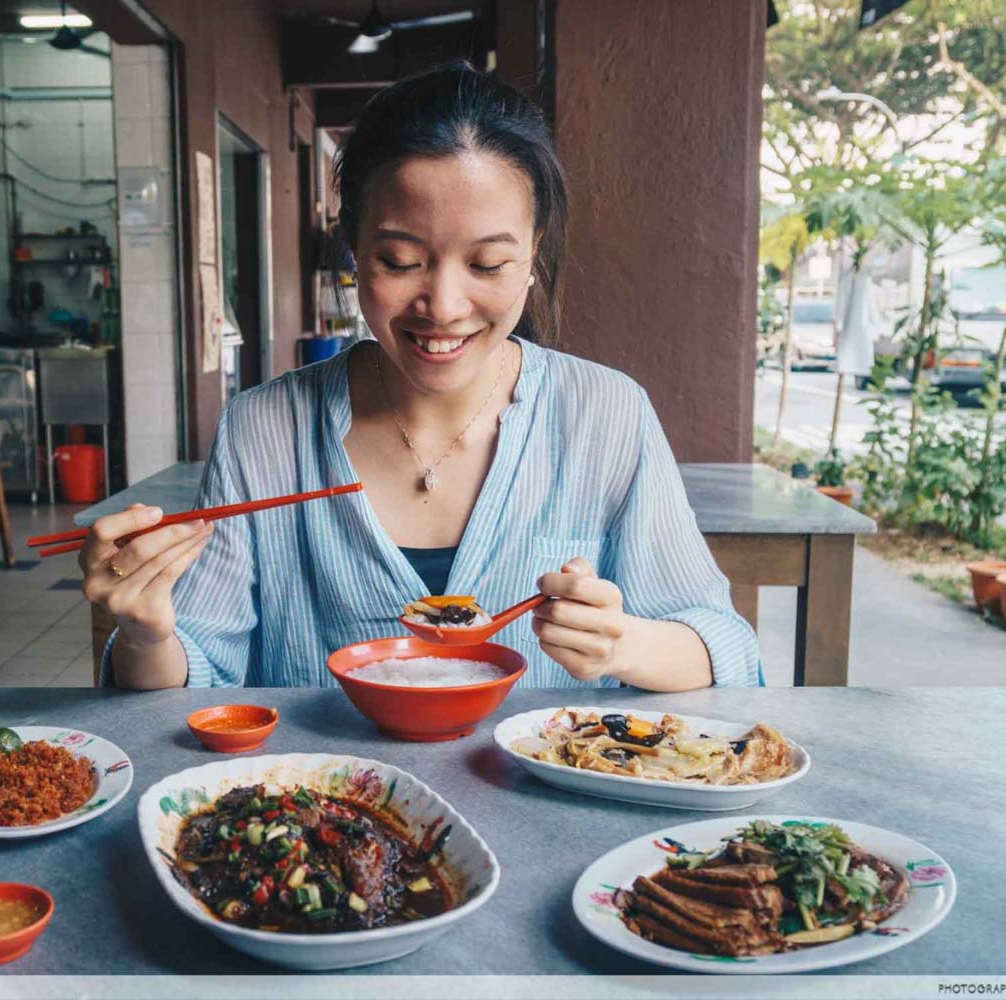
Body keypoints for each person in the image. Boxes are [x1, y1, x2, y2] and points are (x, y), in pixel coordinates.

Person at [81, 64, 762, 691]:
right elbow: (196, 670)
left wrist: (623, 645)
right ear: (353, 251)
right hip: (323, 811)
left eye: (489, 264)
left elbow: (727, 649)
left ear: (533, 257)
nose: (443, 306)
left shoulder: (607, 414)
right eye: (401, 260)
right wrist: (145, 629)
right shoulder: (264, 430)